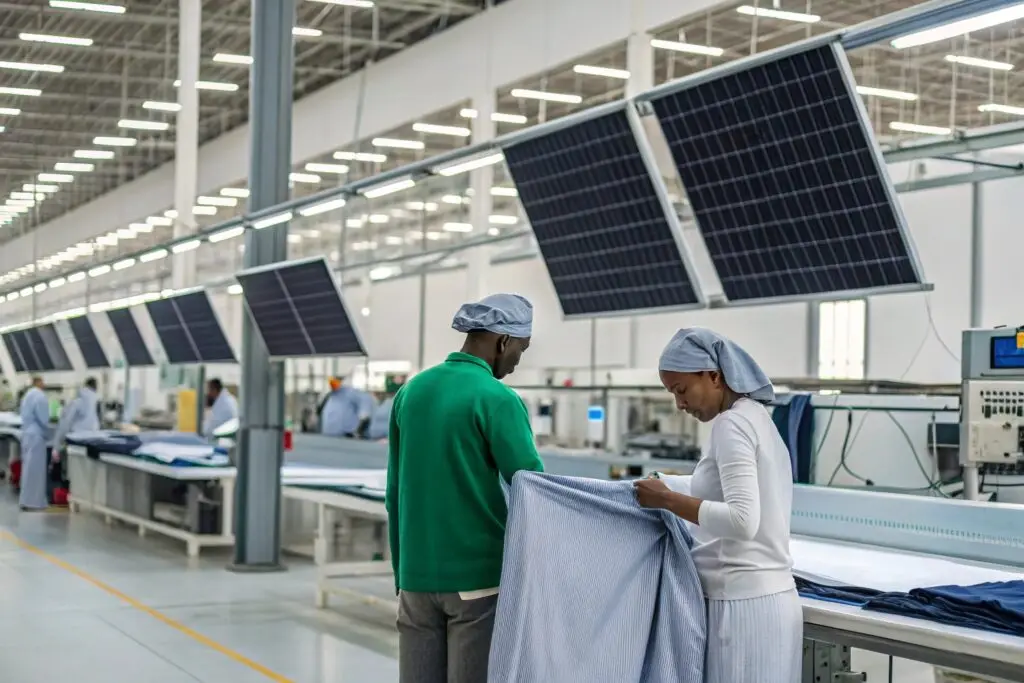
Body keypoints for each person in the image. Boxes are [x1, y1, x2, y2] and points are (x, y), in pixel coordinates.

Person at [387, 293, 544, 683]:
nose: (517, 362)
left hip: (415, 576)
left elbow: (394, 491)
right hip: (477, 578)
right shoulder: (497, 398)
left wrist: (403, 572)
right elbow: (534, 490)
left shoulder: (411, 391)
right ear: (503, 341)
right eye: (521, 349)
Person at [632, 328, 800, 683]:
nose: (679, 404)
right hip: (768, 601)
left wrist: (666, 500)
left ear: (713, 376)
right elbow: (721, 491)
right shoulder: (755, 417)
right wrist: (667, 483)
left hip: (742, 608)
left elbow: (741, 520)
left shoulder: (731, 424)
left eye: (681, 390)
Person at [18, 376, 51, 511]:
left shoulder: (27, 396)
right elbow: (44, 419)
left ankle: (25, 500)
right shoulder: (40, 396)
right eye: (42, 381)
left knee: (27, 469)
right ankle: (34, 502)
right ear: (38, 383)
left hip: (26, 434)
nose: (44, 384)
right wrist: (50, 432)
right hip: (36, 436)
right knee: (36, 471)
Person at [53, 377, 101, 446]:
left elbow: (66, 420)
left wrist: (61, 438)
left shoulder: (77, 402)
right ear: (96, 387)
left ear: (85, 385)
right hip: (94, 438)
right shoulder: (96, 402)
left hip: (77, 439)